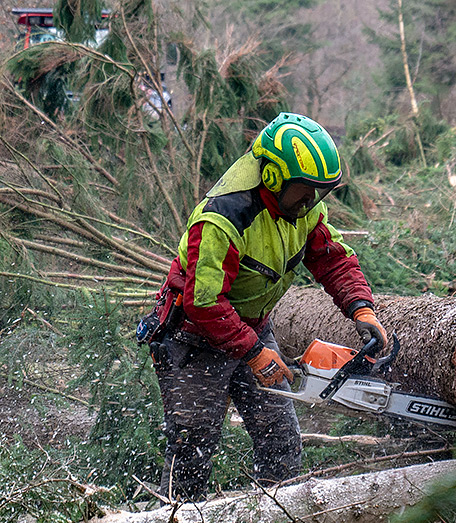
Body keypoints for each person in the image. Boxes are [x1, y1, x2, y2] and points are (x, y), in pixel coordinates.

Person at [140, 112, 387, 502]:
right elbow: (202, 301)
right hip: (195, 334)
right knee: (195, 439)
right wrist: (253, 352)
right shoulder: (223, 219)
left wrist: (361, 307)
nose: (309, 202)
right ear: (273, 177)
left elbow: (333, 257)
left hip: (252, 326)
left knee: (280, 437)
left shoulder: (303, 210)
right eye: (303, 192)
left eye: (316, 194)